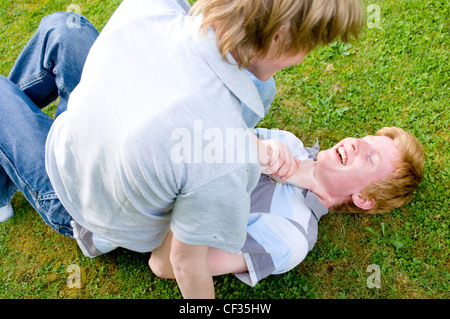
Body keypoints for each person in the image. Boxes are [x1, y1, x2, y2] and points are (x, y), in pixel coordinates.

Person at [0, 0, 364, 298]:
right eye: (307, 48)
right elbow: (183, 264)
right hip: (74, 192)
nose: (303, 60)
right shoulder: (225, 156)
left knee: (64, 29)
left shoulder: (152, 8)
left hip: (101, 148)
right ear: (279, 39)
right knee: (63, 31)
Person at [148, 127, 425, 286]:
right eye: (364, 140)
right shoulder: (288, 143)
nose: (355, 144)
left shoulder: (291, 235)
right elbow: (200, 128)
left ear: (363, 198)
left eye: (369, 158)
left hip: (129, 207)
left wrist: (240, 161)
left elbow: (170, 264)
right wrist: (257, 148)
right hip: (153, 138)